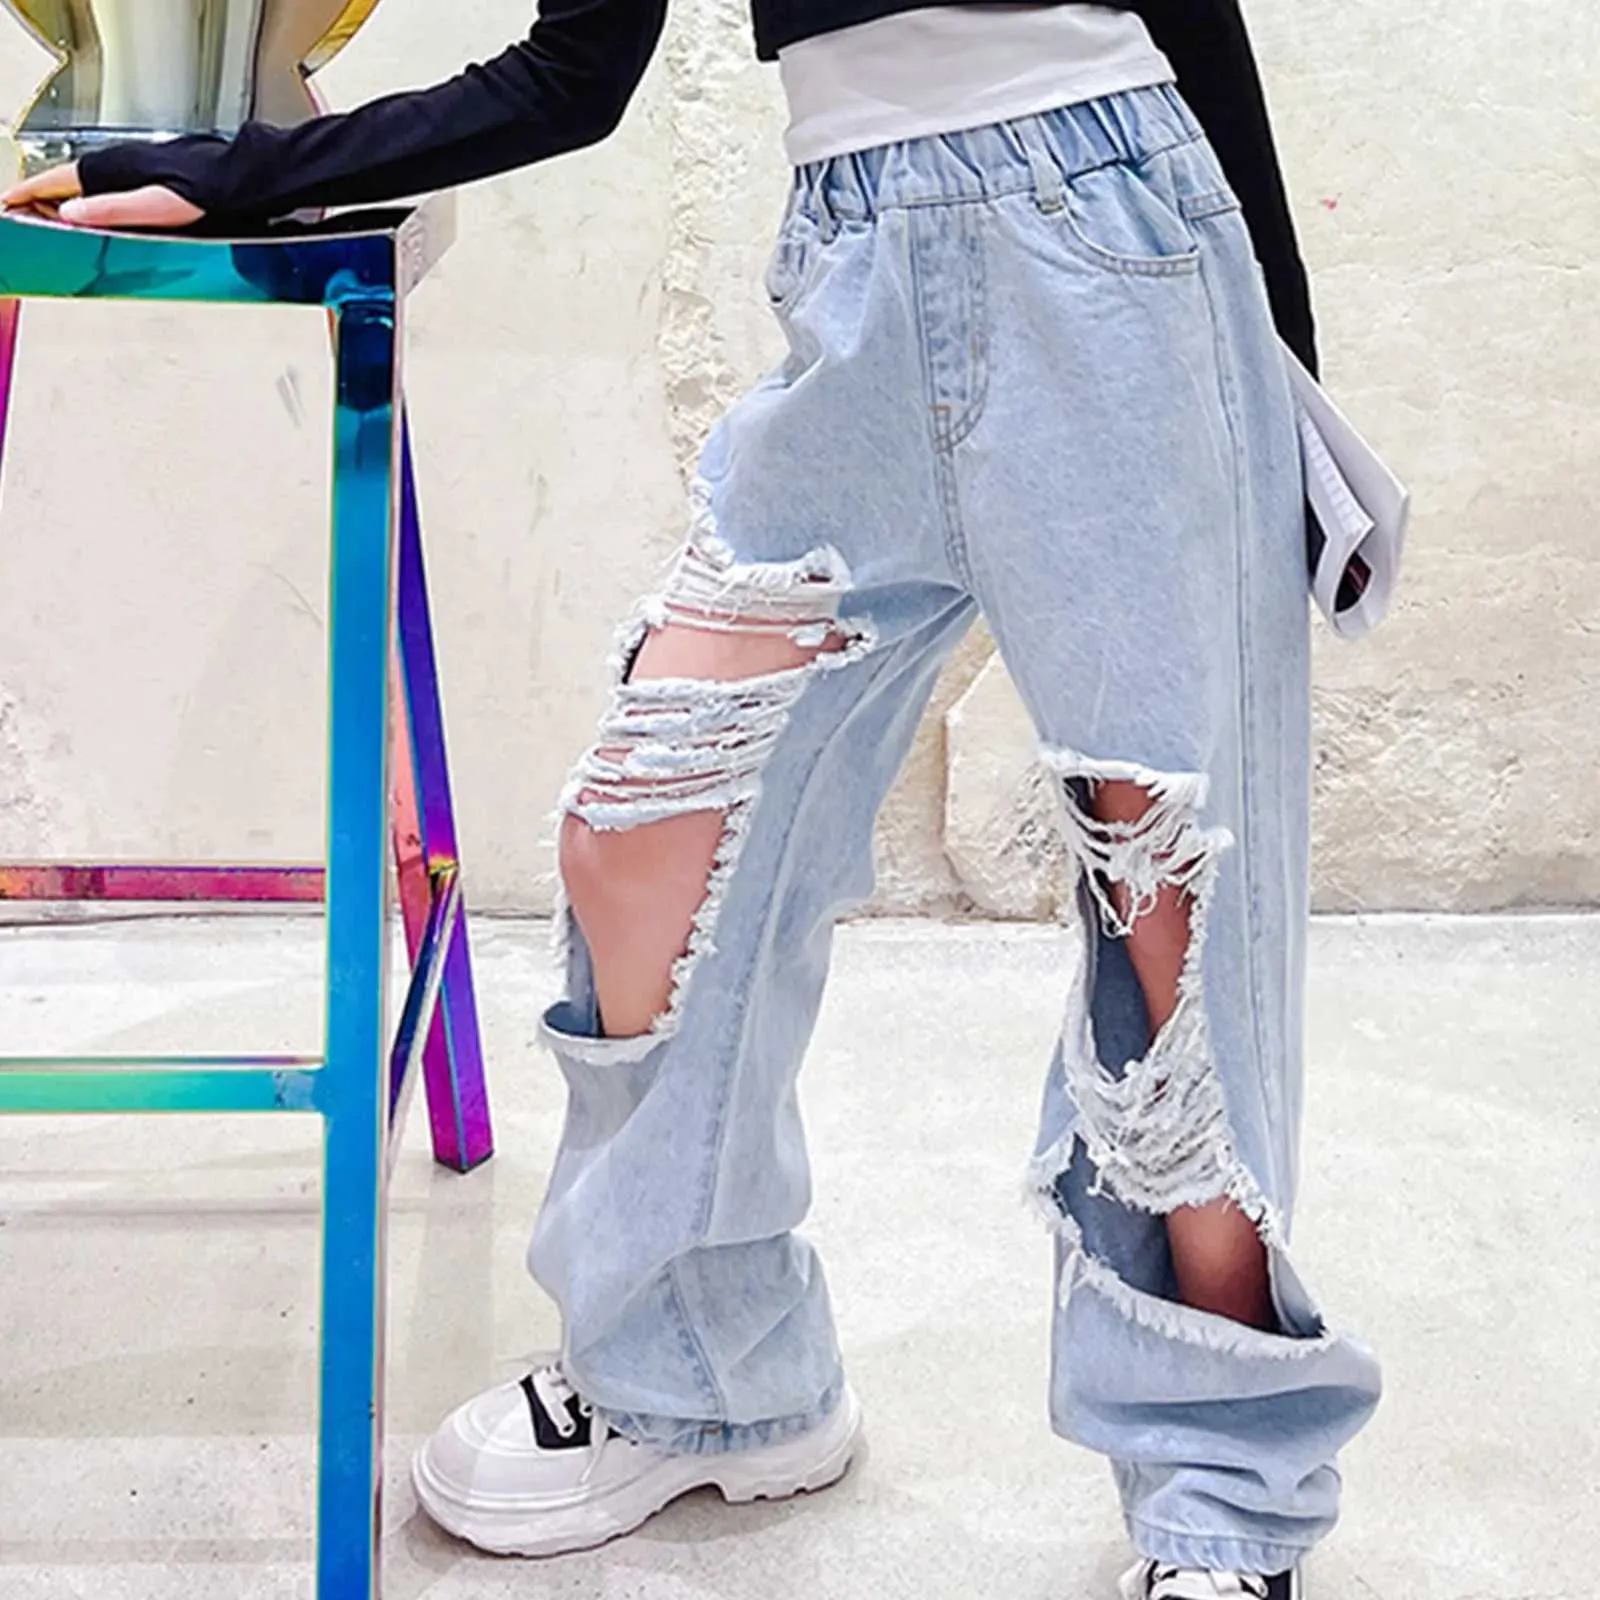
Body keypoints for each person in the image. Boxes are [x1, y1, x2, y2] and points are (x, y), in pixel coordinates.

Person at [5, 4, 1383, 1595]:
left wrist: (1280, 373)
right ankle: (705, 1377)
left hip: (1115, 243)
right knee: (645, 826)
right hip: (854, 267)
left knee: (1169, 900)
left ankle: (1221, 1492)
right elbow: (572, 73)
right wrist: (244, 170)